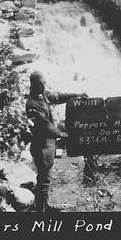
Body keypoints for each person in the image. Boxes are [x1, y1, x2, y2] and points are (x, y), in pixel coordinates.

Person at [25, 71, 86, 212]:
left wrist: (77, 95)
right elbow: (45, 126)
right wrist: (64, 135)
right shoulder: (32, 104)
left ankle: (44, 204)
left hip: (48, 144)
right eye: (42, 83)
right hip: (41, 146)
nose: (45, 85)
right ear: (35, 85)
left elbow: (58, 96)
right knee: (44, 177)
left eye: (44, 83)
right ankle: (42, 208)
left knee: (46, 175)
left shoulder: (43, 95)